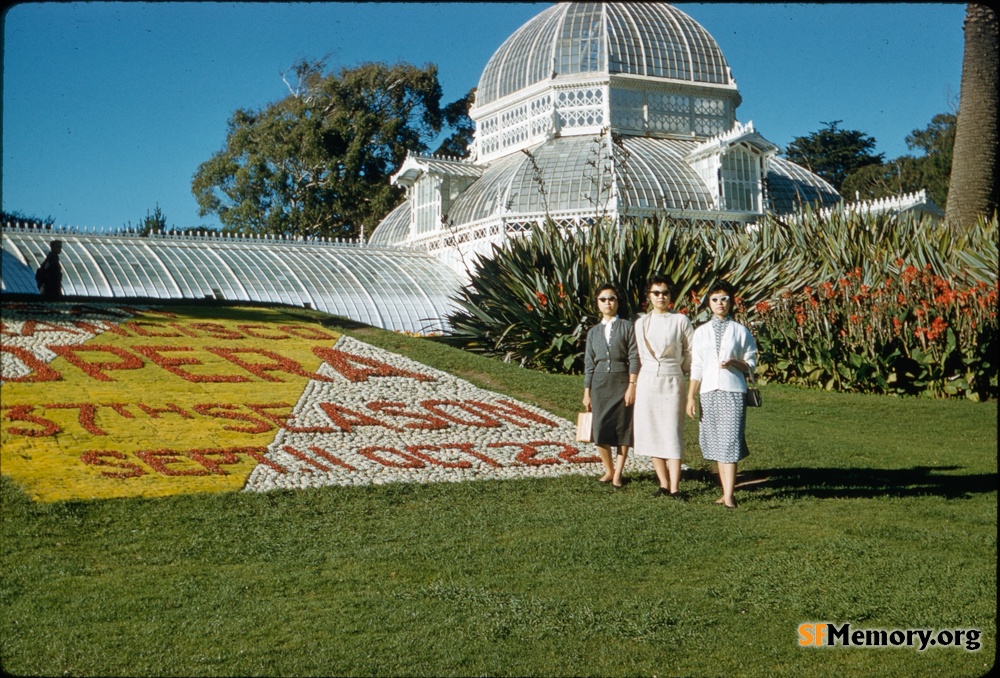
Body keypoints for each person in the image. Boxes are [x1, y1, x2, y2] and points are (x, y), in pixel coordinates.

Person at [686, 281, 757, 509]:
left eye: (724, 299)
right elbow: (696, 366)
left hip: (733, 390)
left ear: (731, 301)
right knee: (717, 441)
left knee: (731, 440)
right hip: (708, 392)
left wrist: (736, 363)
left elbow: (751, 362)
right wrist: (691, 396)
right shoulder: (701, 332)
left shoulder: (740, 330)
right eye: (715, 299)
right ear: (709, 303)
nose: (720, 303)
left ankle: (729, 495)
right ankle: (725, 491)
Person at [632, 276, 694, 498]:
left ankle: (676, 487)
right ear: (649, 296)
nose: (661, 297)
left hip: (672, 379)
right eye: (656, 293)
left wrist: (681, 370)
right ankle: (663, 483)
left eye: (665, 293)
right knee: (651, 430)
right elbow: (639, 353)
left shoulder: (681, 321)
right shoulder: (641, 323)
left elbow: (690, 351)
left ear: (671, 296)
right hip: (648, 380)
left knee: (671, 430)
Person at [583, 283, 639, 489]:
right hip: (599, 384)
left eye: (612, 298)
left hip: (622, 382)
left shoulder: (627, 327)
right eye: (603, 299)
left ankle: (619, 474)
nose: (608, 303)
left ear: (618, 302)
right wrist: (586, 392)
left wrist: (632, 385)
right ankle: (609, 469)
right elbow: (589, 364)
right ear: (597, 303)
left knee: (623, 429)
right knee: (599, 429)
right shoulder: (593, 332)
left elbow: (634, 357)